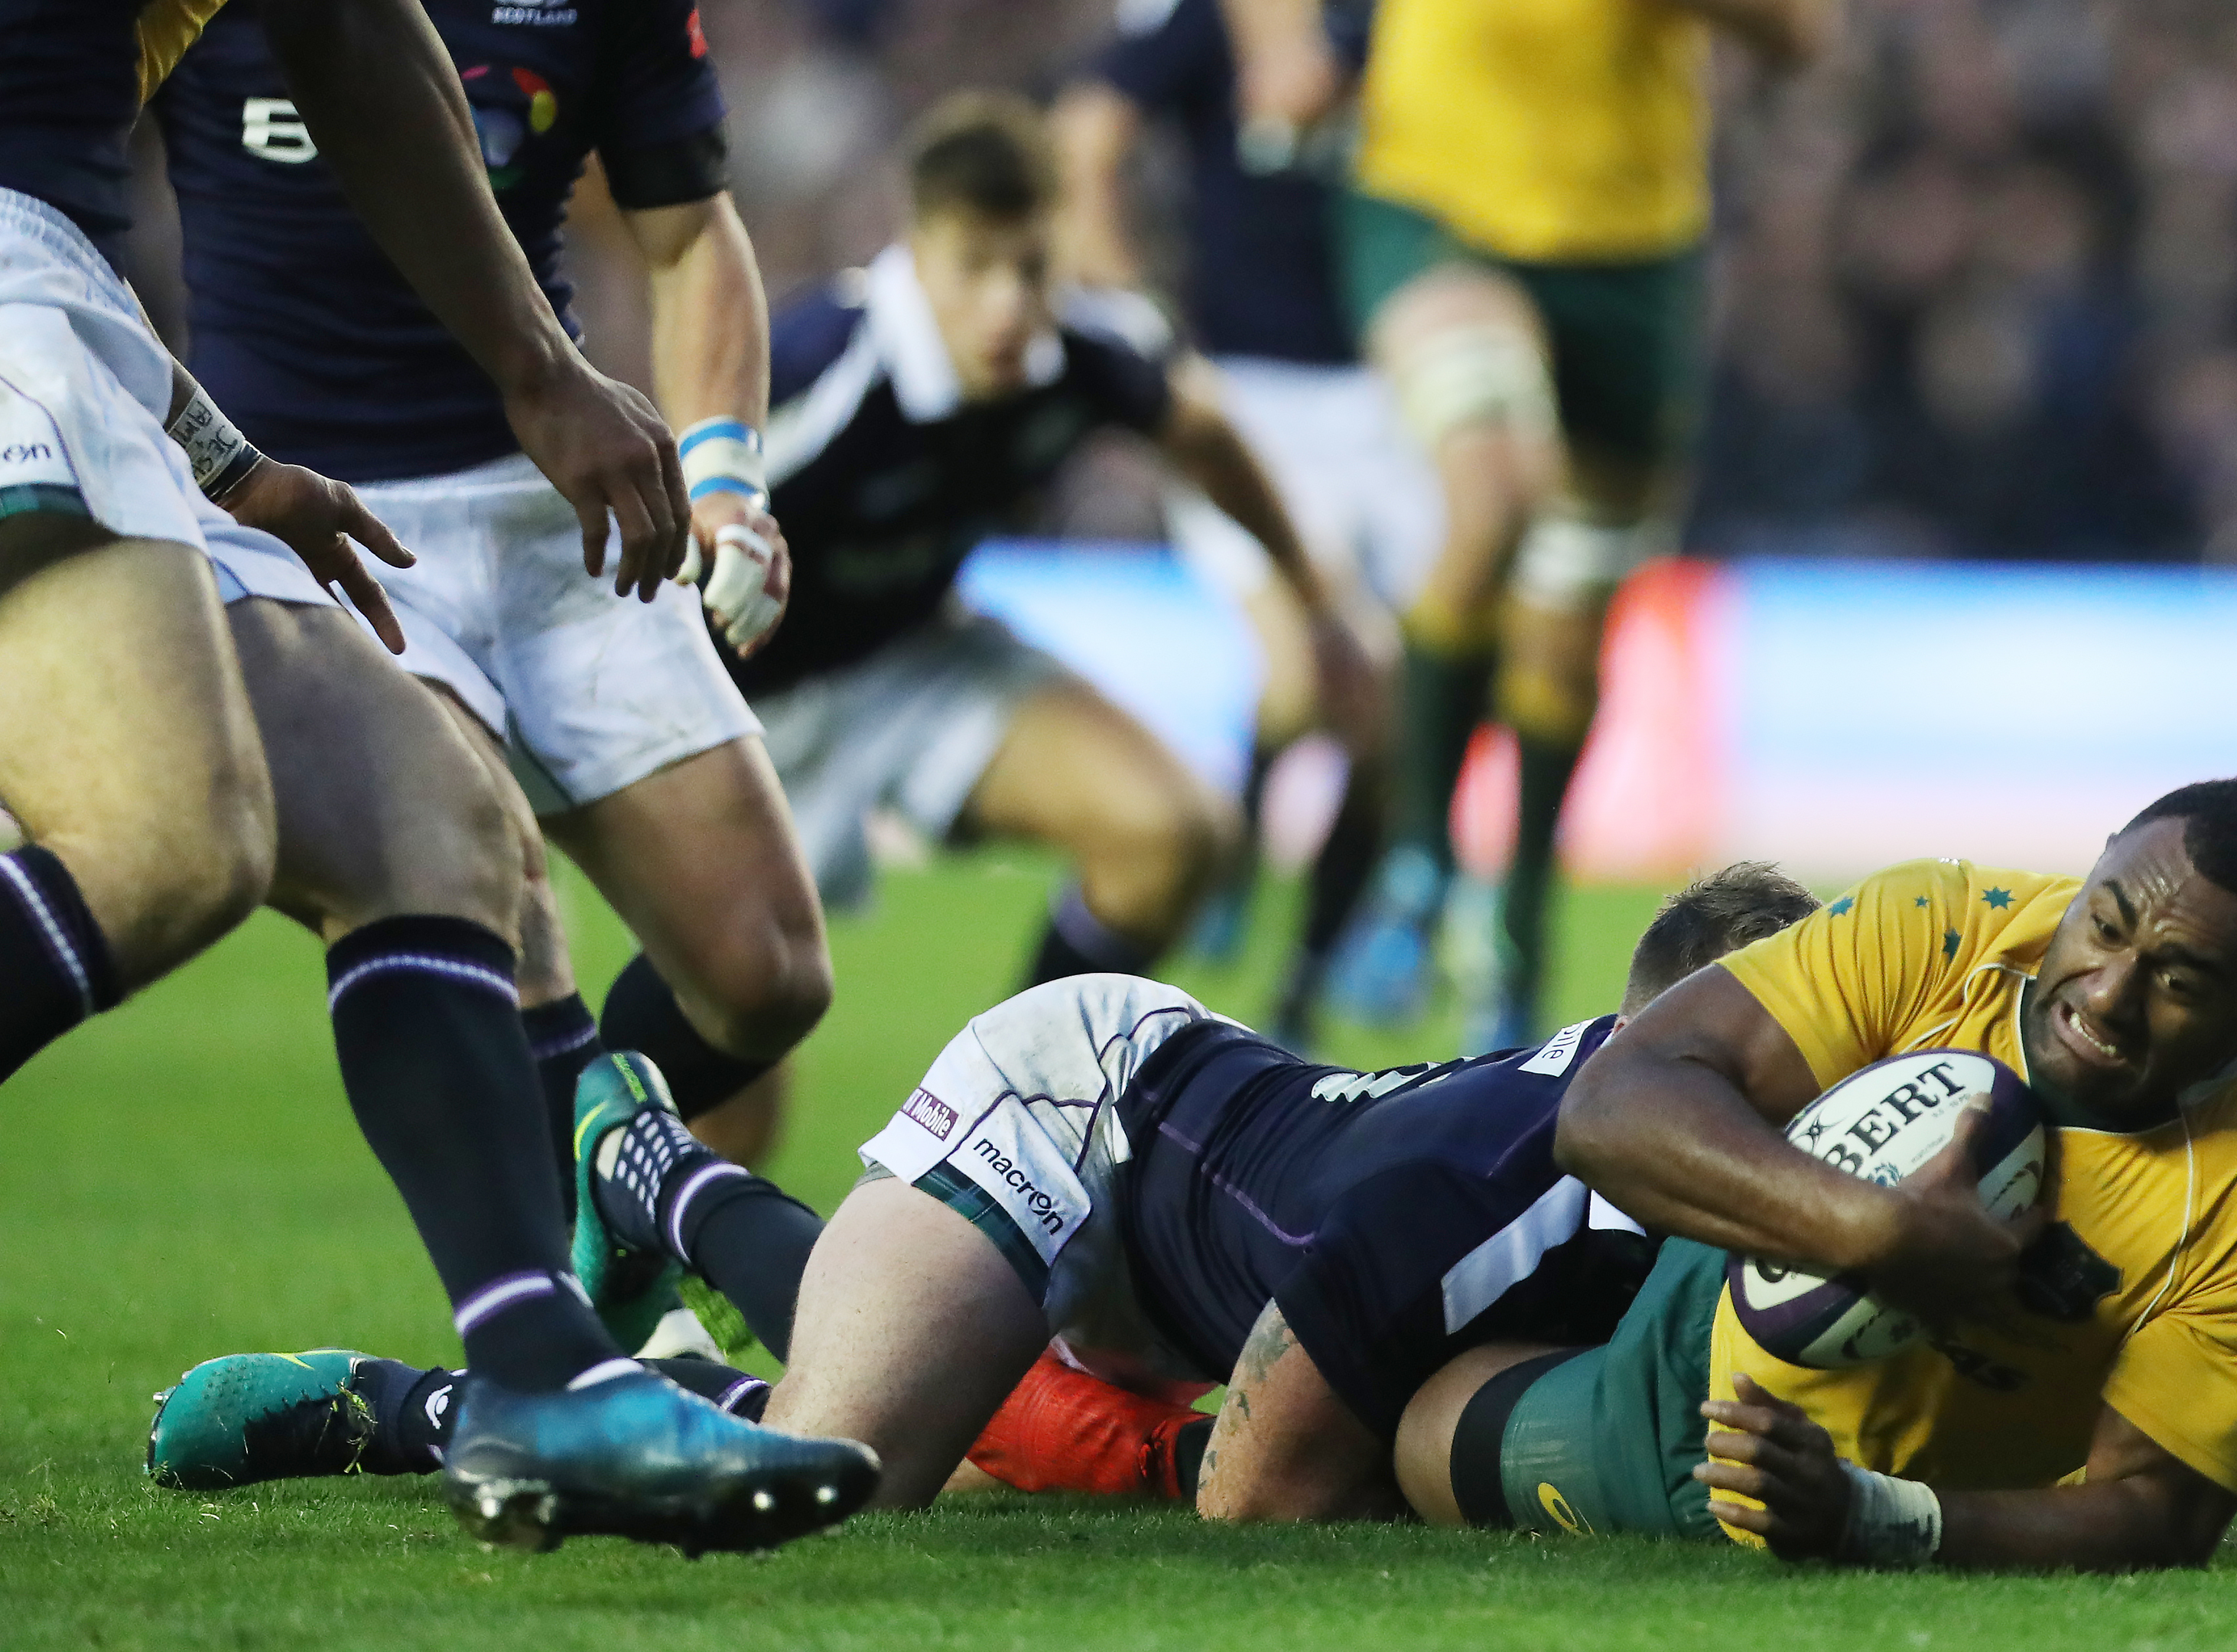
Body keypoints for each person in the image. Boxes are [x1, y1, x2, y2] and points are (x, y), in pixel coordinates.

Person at [1, 0, 873, 1552]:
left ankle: (540, 1377)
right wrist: (541, 371)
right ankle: (601, 1249)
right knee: (167, 841)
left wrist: (216, 457)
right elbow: (349, 32)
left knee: (428, 821)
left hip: (73, 309)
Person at [145, 863, 1822, 1519]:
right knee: (837, 1474)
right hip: (1080, 1110)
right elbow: (1260, 1507)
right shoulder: (1483, 1183)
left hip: (1214, 1265)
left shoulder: (1649, 1154)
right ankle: (439, 1385)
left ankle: (665, 1208)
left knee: (1032, 1436)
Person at [153, 0, 830, 1186]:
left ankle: (594, 1222)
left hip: (560, 494)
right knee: (489, 890)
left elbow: (685, 233)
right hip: (311, 519)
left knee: (763, 973)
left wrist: (726, 480)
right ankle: (574, 1317)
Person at [1398, 777, 2237, 1571]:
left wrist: (1873, 1519)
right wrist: (1880, 1234)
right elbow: (1609, 1107)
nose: (2108, 996)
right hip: (1706, 1327)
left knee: (1427, 1443)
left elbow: (2160, 1514)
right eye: (2102, 926)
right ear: (2096, 866)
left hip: (1846, 1484)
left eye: (2179, 982)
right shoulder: (1943, 928)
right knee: (1411, 1442)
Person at [1227, 0, 1830, 1050]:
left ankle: (1514, 937)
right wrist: (1278, 44)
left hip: (1632, 253)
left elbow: (1800, 35)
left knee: (1564, 637)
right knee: (1495, 492)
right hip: (1434, 210)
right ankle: (1417, 868)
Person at [737, 91, 1378, 989]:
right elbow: (657, 530)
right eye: (974, 268)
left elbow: (1210, 436)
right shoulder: (818, 373)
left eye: (1030, 269)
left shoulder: (1087, 352)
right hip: (743, 717)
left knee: (1175, 833)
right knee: (737, 1079)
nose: (1006, 307)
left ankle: (1013, 1101)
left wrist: (1319, 605)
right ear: (916, 252)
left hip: (916, 658)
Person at [1051, 0, 1437, 1047]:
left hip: (1395, 398)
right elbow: (1086, 136)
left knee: (1388, 716)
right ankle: (1238, 850)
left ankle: (1301, 994)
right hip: (1249, 406)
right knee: (1305, 680)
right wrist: (1128, 308)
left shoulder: (1420, 27)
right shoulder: (1215, 21)